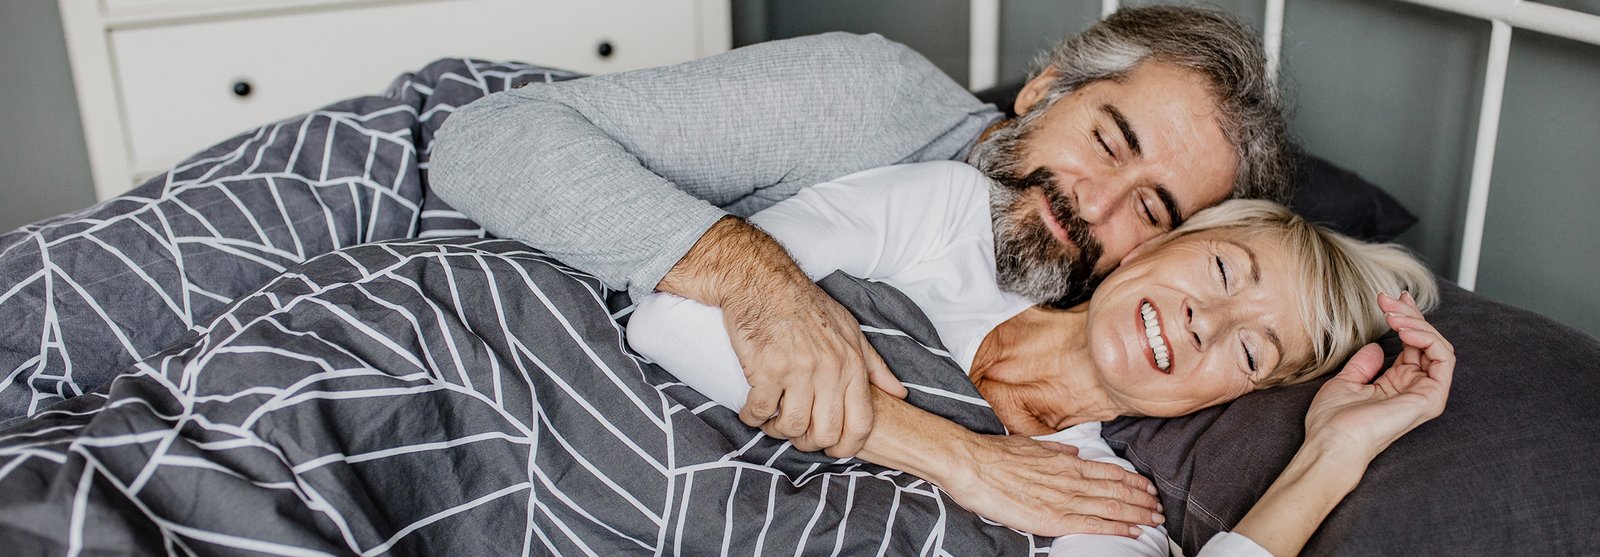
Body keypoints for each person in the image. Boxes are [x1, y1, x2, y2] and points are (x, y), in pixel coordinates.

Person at [428, 8, 1294, 510]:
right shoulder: (866, 101)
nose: (1094, 206)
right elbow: (485, 138)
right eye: (1106, 143)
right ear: (1043, 91)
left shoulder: (1093, 354)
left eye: (1151, 207)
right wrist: (756, 279)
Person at [625, 161, 1448, 556]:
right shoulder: (948, 223)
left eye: (1249, 346)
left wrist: (1335, 452)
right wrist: (958, 457)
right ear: (1157, 245)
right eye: (1225, 271)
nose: (1207, 320)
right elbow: (669, 317)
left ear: (1237, 394)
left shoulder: (1104, 508)